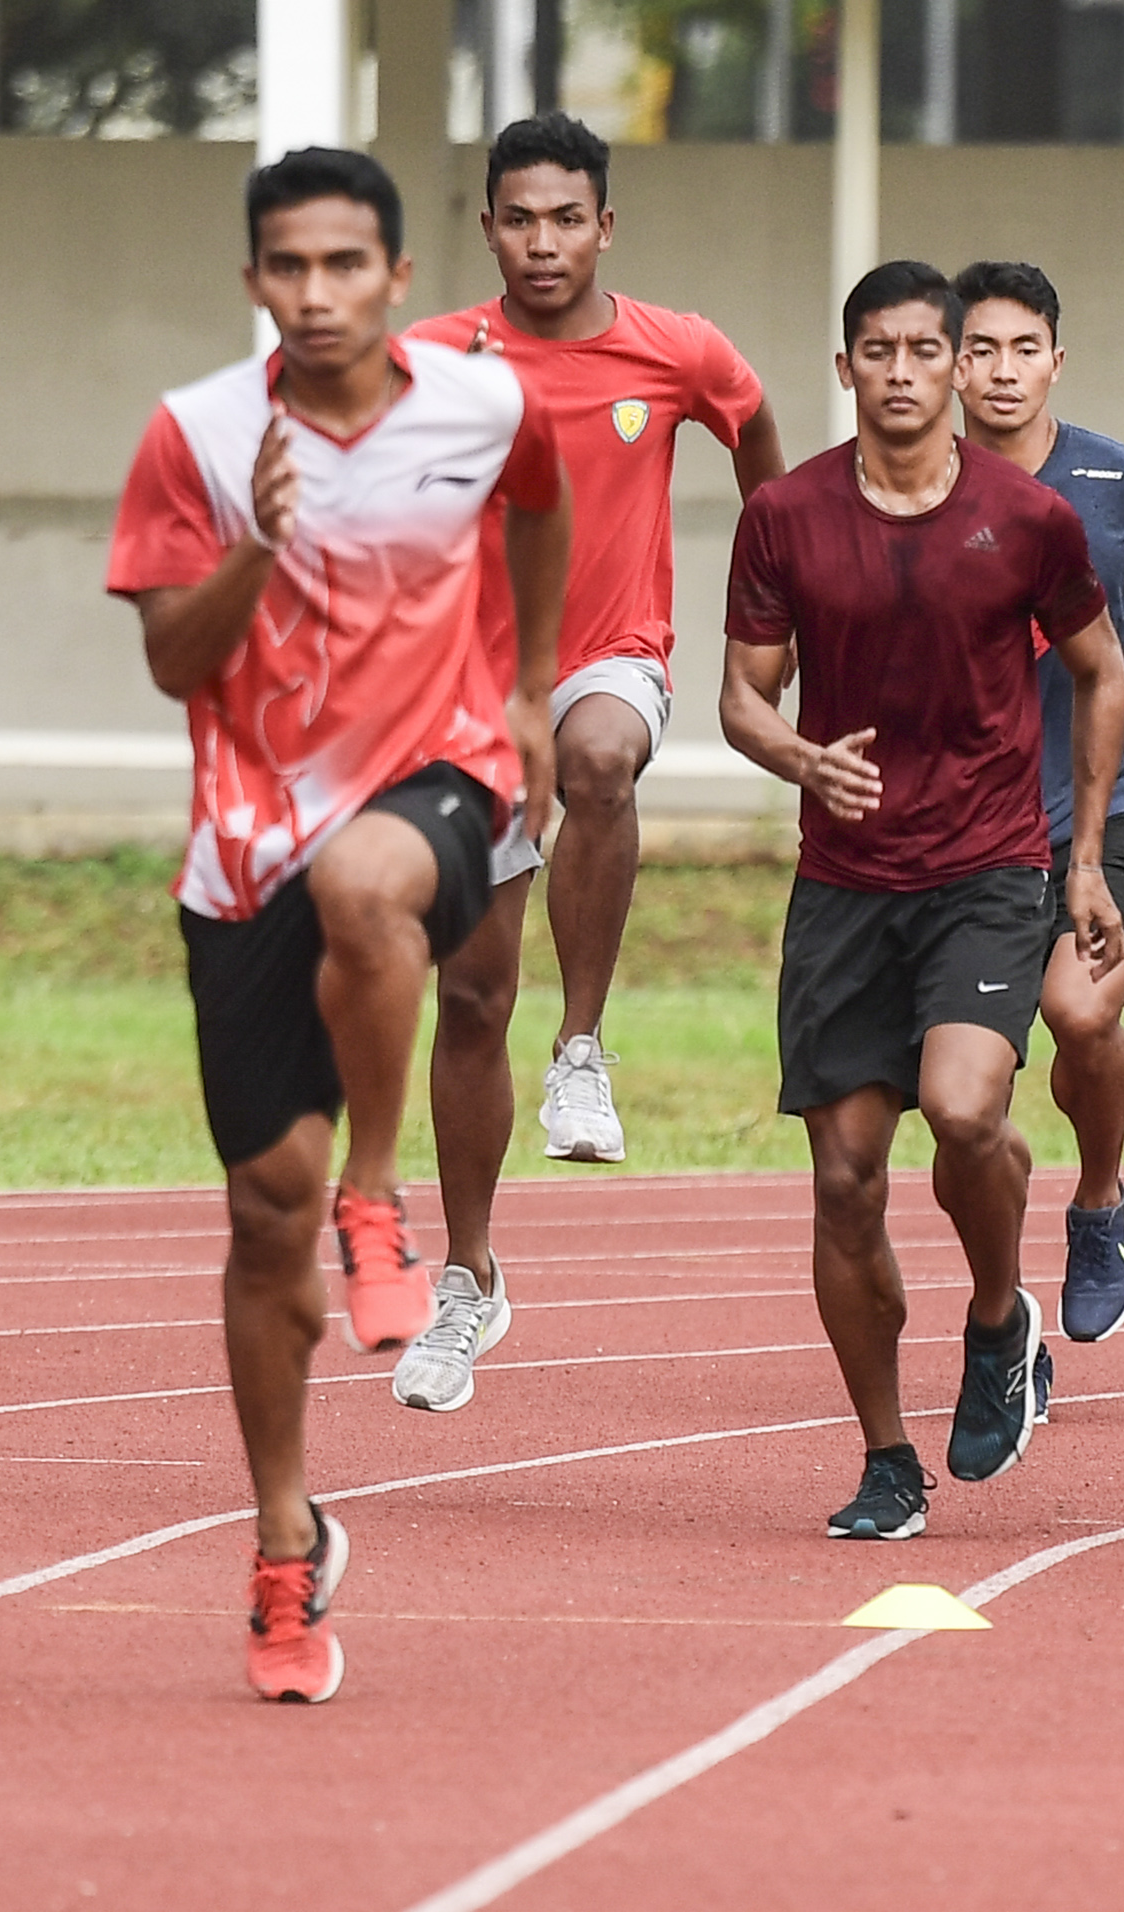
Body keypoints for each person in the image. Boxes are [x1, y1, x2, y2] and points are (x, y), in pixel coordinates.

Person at [105, 148, 566, 1700]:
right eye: (287, 269)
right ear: (254, 282)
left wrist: (522, 692)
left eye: (344, 265)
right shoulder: (199, 433)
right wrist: (255, 538)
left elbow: (542, 513)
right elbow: (174, 665)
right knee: (256, 1222)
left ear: (394, 274)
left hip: (432, 773)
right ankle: (286, 1543)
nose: (317, 295)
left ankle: (383, 1199)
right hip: (242, 846)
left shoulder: (483, 404)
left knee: (372, 887)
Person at [719, 261, 1124, 1541]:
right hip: (843, 887)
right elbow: (742, 694)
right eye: (875, 352)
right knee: (845, 1177)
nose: (900, 373)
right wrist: (799, 758)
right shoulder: (784, 516)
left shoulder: (1027, 518)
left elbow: (1102, 675)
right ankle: (886, 1456)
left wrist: (1086, 858)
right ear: (842, 369)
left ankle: (999, 1316)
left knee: (962, 1108)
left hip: (987, 869)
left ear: (958, 368)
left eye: (922, 351)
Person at [389, 113, 783, 1412]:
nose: (542, 241)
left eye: (567, 218)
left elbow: (768, 466)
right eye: (519, 218)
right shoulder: (437, 359)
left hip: (613, 656)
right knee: (467, 1000)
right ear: (487, 225)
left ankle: (584, 1048)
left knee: (602, 758)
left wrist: (768, 634)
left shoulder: (677, 354)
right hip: (471, 697)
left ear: (604, 224)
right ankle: (469, 1277)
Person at [950, 260, 1124, 1382]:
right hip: (972, 821)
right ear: (949, 363)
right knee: (964, 1094)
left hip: (1116, 805)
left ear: (1055, 360)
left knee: (1076, 1006)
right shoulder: (917, 485)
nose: (1002, 370)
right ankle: (1000, 1312)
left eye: (1024, 348)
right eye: (981, 349)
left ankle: (1101, 1196)